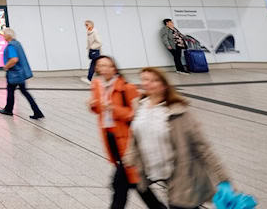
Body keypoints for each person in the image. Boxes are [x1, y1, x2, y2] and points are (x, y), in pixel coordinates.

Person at [124, 67, 232, 209]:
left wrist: (222, 178)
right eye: (145, 79)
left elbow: (202, 146)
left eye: (154, 80)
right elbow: (136, 134)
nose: (148, 83)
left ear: (164, 85)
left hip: (183, 172)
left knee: (179, 205)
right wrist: (129, 156)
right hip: (157, 169)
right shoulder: (141, 106)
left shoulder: (178, 111)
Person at [88, 56, 166, 209]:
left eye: (106, 65)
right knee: (132, 180)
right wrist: (93, 106)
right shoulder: (97, 85)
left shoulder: (127, 88)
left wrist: (114, 109)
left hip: (127, 139)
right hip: (110, 137)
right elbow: (99, 109)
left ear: (114, 68)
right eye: (100, 66)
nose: (102, 68)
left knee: (123, 180)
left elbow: (135, 115)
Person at [0, 28, 43, 119]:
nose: (3, 36)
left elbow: (14, 59)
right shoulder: (17, 44)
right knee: (24, 92)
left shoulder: (11, 46)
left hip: (14, 74)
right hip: (20, 74)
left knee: (11, 91)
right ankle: (37, 111)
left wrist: (6, 66)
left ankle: (8, 110)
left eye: (4, 34)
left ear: (8, 35)